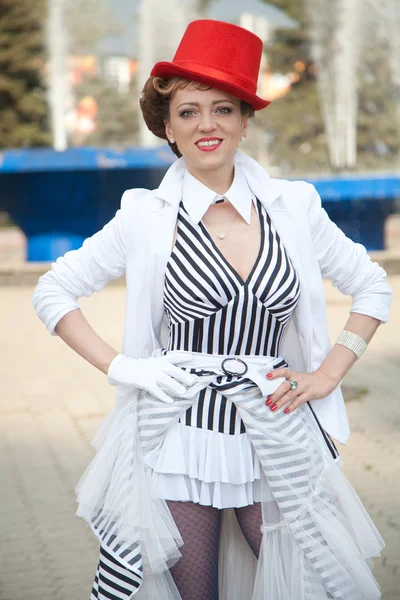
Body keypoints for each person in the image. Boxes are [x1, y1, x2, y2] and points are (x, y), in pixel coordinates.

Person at [32, 19, 392, 600]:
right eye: (189, 111)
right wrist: (126, 368)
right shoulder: (145, 214)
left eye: (223, 109)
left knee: (319, 584)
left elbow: (373, 286)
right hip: (180, 434)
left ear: (245, 122)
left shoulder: (293, 207)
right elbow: (52, 292)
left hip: (276, 427)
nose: (207, 125)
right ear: (168, 128)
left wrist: (328, 375)